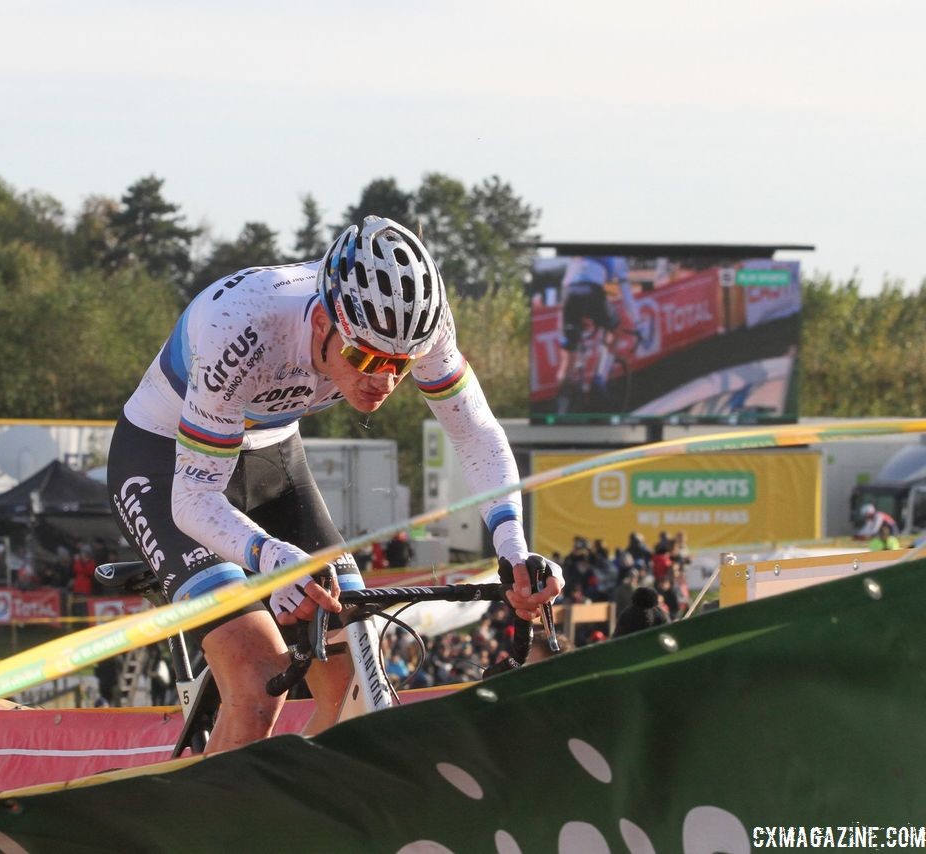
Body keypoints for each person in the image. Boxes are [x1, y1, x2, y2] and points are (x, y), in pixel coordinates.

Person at [106, 215, 563, 753]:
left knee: (354, 686)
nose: (382, 381)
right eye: (363, 357)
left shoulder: (420, 325)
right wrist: (275, 562)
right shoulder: (242, 323)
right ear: (321, 321)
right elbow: (193, 499)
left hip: (273, 456)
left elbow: (477, 434)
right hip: (167, 462)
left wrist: (513, 550)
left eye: (400, 365)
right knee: (257, 684)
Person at [553, 256, 637, 395]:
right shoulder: (619, 259)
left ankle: (560, 405)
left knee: (567, 357)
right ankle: (600, 379)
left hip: (568, 294)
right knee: (615, 330)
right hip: (592, 292)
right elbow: (627, 297)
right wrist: (638, 323)